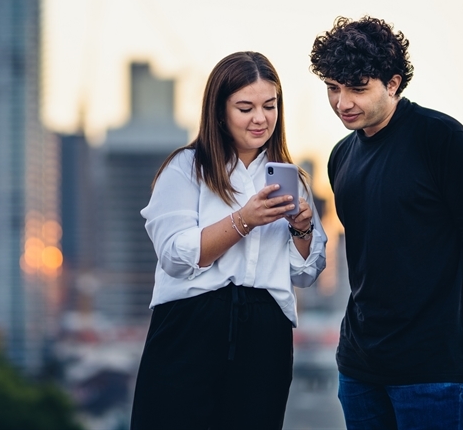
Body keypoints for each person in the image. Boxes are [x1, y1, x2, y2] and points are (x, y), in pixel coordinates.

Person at [308, 16, 463, 429]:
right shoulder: (341, 157)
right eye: (333, 88)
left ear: (394, 84)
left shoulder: (442, 140)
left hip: (434, 370)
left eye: (358, 88)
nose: (342, 102)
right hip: (360, 368)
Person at [130, 51, 328, 430]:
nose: (260, 118)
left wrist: (301, 229)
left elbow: (304, 274)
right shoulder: (186, 168)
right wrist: (243, 220)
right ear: (219, 112)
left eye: (270, 106)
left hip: (265, 331)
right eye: (245, 107)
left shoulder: (292, 179)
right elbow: (174, 255)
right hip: (192, 324)